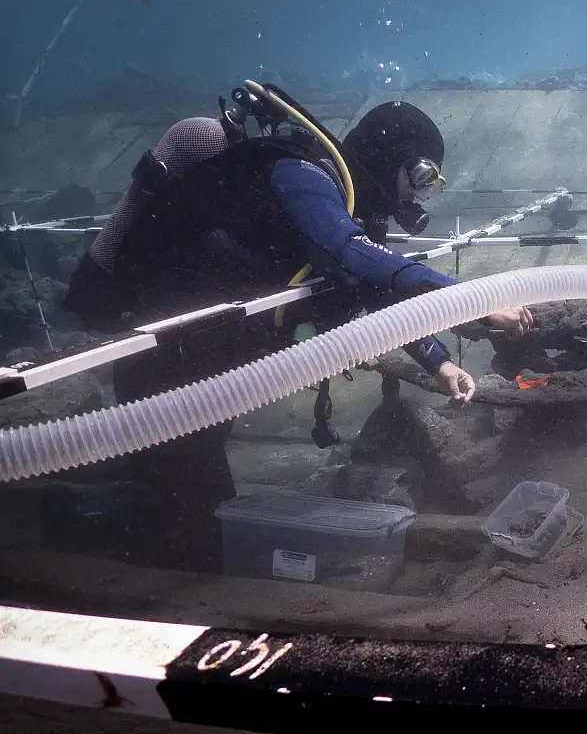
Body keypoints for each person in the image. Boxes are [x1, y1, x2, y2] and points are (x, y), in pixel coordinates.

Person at [60, 92, 532, 567]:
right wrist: (481, 302)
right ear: (388, 157)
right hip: (164, 364)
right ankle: (66, 531)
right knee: (190, 516)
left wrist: (439, 361)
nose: (417, 194)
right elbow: (351, 254)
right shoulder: (301, 175)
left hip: (206, 367)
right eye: (422, 175)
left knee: (197, 500)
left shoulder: (345, 208)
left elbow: (374, 291)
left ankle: (136, 535)